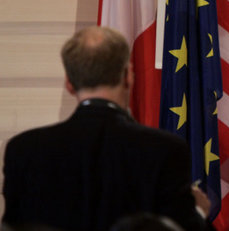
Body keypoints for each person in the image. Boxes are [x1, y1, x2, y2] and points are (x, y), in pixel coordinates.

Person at [2, 26, 209, 231]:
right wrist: (198, 211)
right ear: (128, 76)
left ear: (69, 84)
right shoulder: (165, 150)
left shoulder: (23, 151)